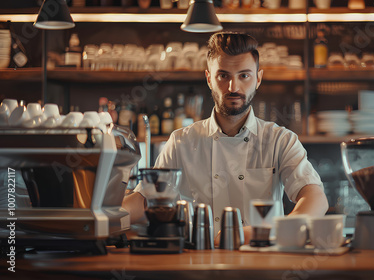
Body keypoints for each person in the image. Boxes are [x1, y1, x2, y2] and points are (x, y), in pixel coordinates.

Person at [123, 31, 328, 245]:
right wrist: (104, 217)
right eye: (223, 76)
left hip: (261, 263)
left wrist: (271, 231)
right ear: (209, 79)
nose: (233, 87)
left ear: (258, 79)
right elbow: (146, 200)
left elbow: (315, 197)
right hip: (196, 265)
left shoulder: (280, 140)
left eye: (244, 75)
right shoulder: (181, 141)